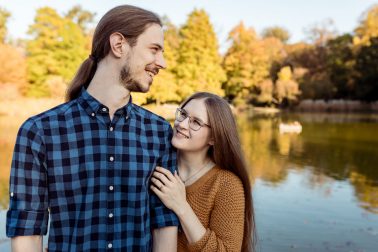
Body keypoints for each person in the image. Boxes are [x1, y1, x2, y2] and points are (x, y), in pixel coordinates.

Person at [6, 5, 179, 251]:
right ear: (118, 45)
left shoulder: (159, 132)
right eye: (154, 50)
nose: (161, 63)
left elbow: (163, 226)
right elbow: (28, 233)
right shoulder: (39, 132)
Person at [150, 92, 256, 252]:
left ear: (213, 137)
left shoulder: (227, 185)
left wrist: (181, 206)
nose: (182, 124)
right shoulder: (156, 164)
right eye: (183, 114)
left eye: (196, 122)